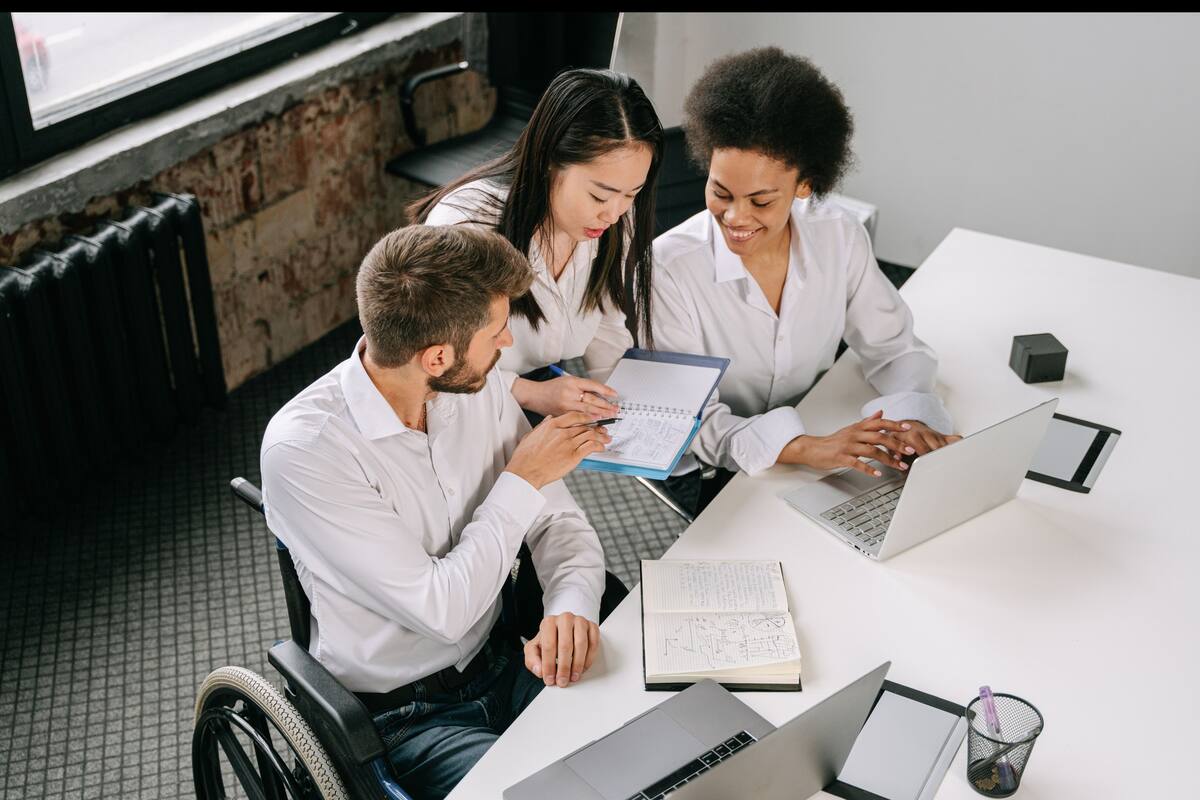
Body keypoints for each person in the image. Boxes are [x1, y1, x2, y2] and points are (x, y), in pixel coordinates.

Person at [260, 225, 612, 799]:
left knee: (639, 748)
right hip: (403, 717)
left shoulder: (479, 389)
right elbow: (442, 610)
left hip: (508, 658)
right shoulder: (305, 451)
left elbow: (557, 522)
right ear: (438, 356)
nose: (505, 347)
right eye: (496, 333)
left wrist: (569, 606)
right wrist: (521, 477)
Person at [651, 47, 961, 515]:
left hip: (826, 432)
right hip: (729, 469)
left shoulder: (838, 235)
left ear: (804, 186)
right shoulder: (669, 269)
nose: (735, 217)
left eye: (760, 201)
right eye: (720, 192)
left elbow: (894, 347)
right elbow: (686, 420)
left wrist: (910, 417)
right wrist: (801, 447)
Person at [408, 68, 664, 424]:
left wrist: (623, 406)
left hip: (537, 390)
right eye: (599, 195)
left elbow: (607, 326)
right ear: (548, 161)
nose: (614, 213)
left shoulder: (617, 219)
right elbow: (432, 367)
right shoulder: (466, 229)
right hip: (451, 405)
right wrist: (531, 394)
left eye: (632, 194)